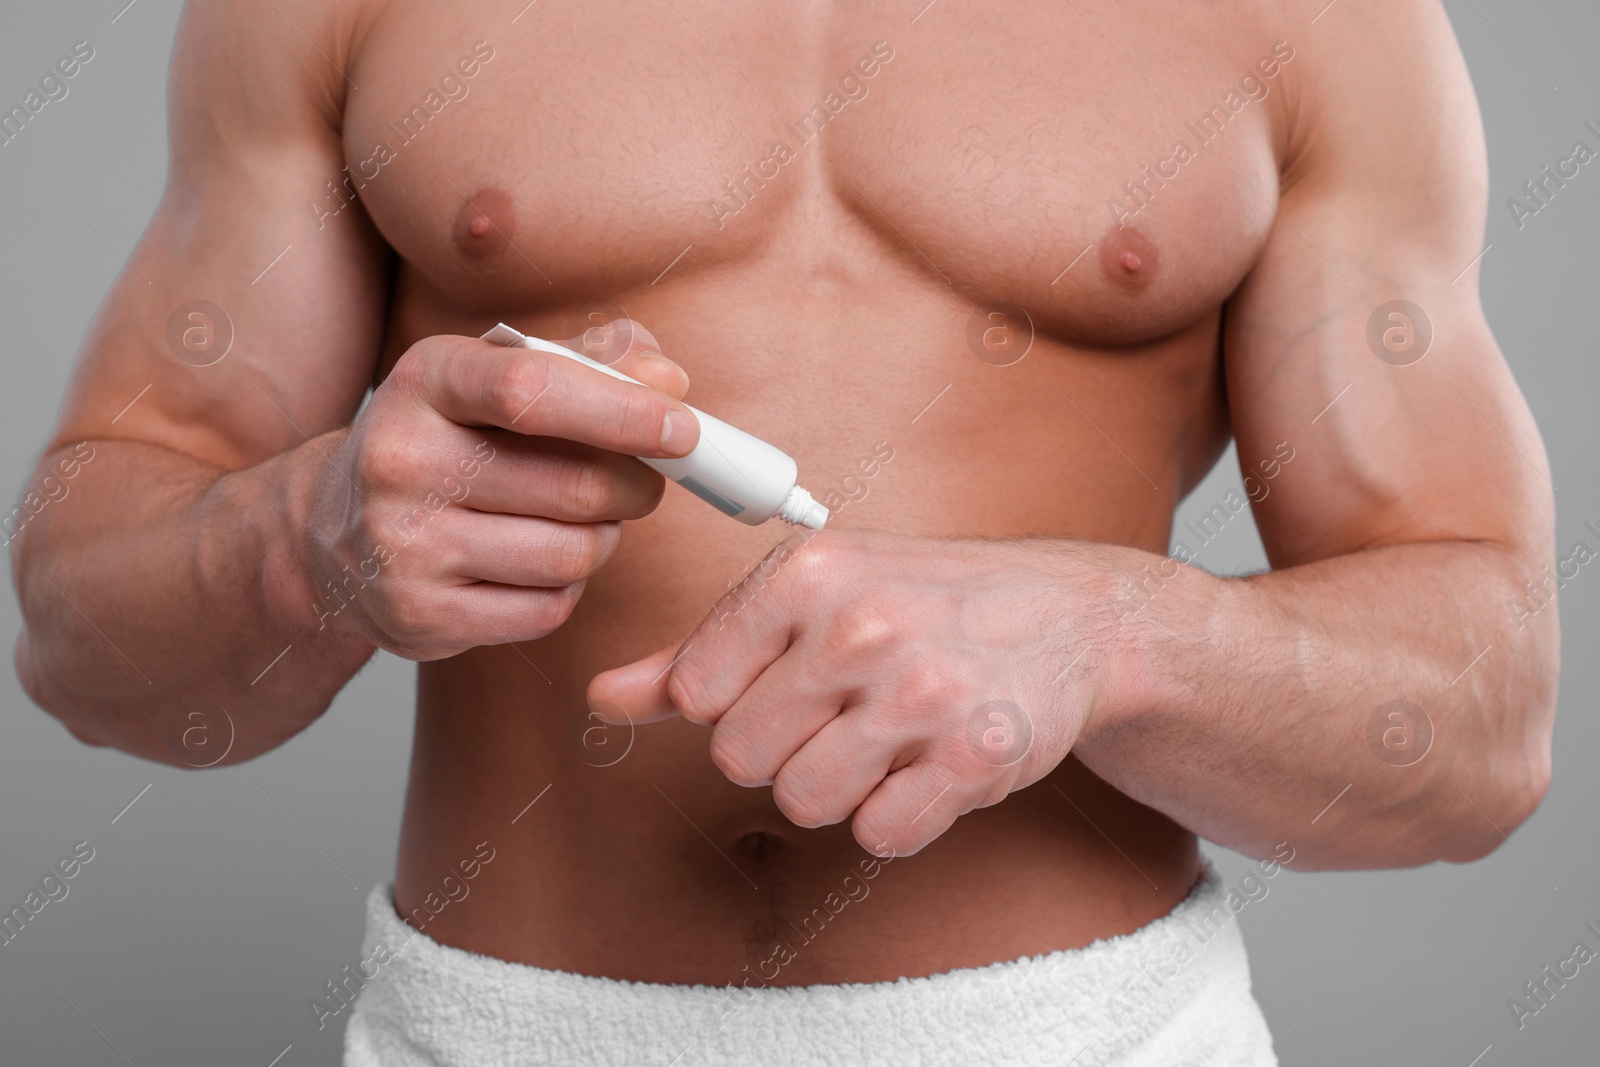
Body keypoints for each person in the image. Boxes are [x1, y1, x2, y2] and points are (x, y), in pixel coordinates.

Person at [11, 0, 1557, 1063]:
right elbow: (84, 646)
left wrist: (1119, 634)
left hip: (1083, 1035)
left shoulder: (1313, 21)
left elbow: (1486, 731)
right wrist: (311, 536)